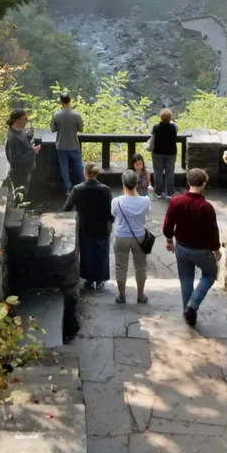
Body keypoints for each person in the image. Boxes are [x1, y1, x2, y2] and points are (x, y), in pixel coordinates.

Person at [163, 168, 222, 327]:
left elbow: (168, 225)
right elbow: (212, 233)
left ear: (188, 182)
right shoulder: (206, 207)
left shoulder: (176, 201)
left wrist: (169, 241)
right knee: (210, 275)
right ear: (203, 184)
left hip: (181, 248)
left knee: (186, 279)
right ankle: (192, 305)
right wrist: (216, 251)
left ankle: (188, 313)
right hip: (201, 250)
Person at [63, 162, 113, 291]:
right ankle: (100, 280)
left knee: (87, 253)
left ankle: (89, 280)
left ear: (85, 173)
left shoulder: (78, 189)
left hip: (85, 226)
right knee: (101, 252)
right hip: (102, 226)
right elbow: (110, 212)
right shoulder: (105, 190)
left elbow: (67, 208)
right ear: (97, 174)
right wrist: (110, 222)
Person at [111, 170, 151, 304]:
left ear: (123, 184)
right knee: (140, 266)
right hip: (139, 236)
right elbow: (148, 212)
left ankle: (121, 295)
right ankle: (140, 294)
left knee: (120, 266)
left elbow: (114, 214)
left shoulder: (116, 201)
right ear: (137, 184)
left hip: (121, 236)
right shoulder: (145, 201)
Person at [51, 93, 85, 195]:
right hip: (74, 145)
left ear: (61, 101)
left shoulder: (56, 115)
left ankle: (68, 188)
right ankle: (84, 184)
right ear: (70, 101)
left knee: (64, 167)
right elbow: (81, 129)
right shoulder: (76, 115)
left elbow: (53, 129)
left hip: (61, 145)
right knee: (79, 165)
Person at [4, 109, 40, 202]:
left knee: (25, 192)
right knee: (20, 195)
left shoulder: (20, 130)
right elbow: (15, 159)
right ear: (17, 120)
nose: (26, 122)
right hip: (19, 172)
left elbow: (24, 144)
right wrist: (33, 151)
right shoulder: (13, 137)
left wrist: (29, 136)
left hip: (26, 169)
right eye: (25, 119)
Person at [150, 108, 178, 200]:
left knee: (158, 172)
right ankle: (170, 193)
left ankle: (158, 192)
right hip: (171, 153)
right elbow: (176, 129)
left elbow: (151, 133)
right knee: (170, 173)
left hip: (157, 152)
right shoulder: (174, 127)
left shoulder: (155, 127)